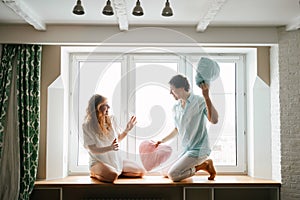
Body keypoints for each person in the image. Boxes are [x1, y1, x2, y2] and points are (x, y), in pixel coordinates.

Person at [156, 74, 218, 182]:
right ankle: (201, 165)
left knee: (173, 175)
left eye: (172, 89)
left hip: (199, 150)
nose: (170, 92)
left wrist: (207, 97)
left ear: (181, 88)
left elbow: (214, 120)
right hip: (186, 149)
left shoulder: (199, 101)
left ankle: (203, 166)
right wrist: (162, 141)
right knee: (163, 171)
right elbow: (177, 129)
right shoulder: (176, 107)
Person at [82, 94, 145, 183]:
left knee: (140, 171)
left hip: (114, 159)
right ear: (97, 107)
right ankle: (96, 172)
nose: (109, 107)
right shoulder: (87, 126)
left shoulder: (112, 120)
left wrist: (127, 129)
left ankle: (112, 171)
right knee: (112, 176)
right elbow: (92, 149)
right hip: (98, 161)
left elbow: (118, 139)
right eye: (105, 105)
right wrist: (110, 148)